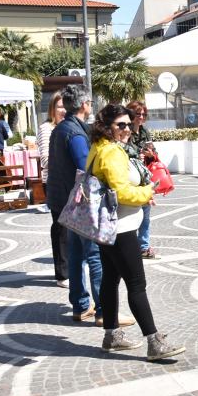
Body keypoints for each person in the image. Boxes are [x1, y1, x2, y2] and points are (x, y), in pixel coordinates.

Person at [87, 104, 186, 361]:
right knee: (136, 284)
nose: (127, 129)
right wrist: (146, 192)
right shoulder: (111, 152)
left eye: (128, 124)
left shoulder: (99, 148)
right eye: (121, 125)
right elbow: (121, 192)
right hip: (121, 227)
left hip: (107, 227)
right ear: (107, 126)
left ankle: (111, 336)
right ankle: (154, 342)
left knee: (110, 280)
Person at [48, 86, 120, 325]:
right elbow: (86, 169)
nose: (91, 106)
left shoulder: (60, 129)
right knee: (94, 254)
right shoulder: (76, 134)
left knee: (76, 254)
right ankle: (103, 310)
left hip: (63, 200)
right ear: (84, 105)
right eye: (90, 102)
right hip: (80, 203)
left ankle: (80, 306)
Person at [37, 92, 68, 287]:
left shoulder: (67, 127)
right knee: (60, 227)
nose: (63, 110)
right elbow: (46, 159)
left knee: (70, 227)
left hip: (70, 182)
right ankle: (62, 273)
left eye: (66, 106)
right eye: (59, 107)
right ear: (52, 109)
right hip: (55, 183)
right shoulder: (46, 128)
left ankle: (70, 267)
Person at [125, 101, 159, 260]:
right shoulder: (125, 131)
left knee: (145, 215)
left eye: (144, 114)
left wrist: (151, 154)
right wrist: (136, 155)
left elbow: (155, 151)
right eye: (138, 114)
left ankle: (143, 246)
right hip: (131, 178)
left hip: (144, 178)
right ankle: (129, 246)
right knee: (131, 214)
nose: (141, 117)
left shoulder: (145, 131)